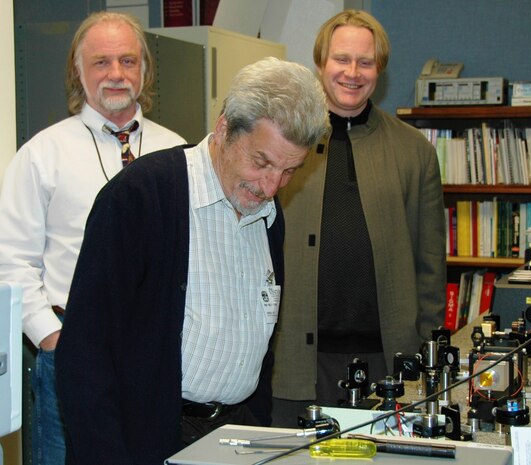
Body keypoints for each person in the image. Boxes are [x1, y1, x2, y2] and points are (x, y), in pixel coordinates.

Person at [54, 56, 329, 465]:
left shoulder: (268, 216)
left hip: (236, 440)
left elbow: (262, 345)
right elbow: (83, 358)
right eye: (262, 162)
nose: (272, 186)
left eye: (290, 171)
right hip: (147, 442)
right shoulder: (141, 197)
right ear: (224, 128)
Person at [0, 11, 186, 465]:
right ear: (77, 72)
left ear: (145, 69)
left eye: (128, 60)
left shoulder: (180, 152)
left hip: (158, 362)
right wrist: (52, 338)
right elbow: (10, 260)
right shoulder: (42, 154)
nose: (117, 74)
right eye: (101, 62)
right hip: (71, 357)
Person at [271, 9, 446, 426]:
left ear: (379, 69)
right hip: (294, 362)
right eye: (341, 59)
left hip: (386, 365)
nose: (353, 72)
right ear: (320, 63)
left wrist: (425, 354)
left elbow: (430, 266)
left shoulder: (414, 151)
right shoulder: (281, 141)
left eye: (365, 62)